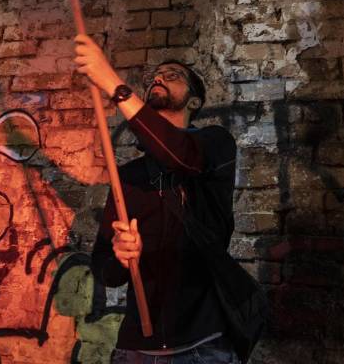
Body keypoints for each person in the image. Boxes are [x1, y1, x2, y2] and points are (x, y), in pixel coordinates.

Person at [73, 34, 241, 364]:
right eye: (155, 78)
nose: (159, 79)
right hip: (135, 348)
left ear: (194, 101)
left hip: (203, 344)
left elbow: (178, 154)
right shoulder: (130, 176)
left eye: (172, 75)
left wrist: (111, 82)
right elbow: (104, 269)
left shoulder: (213, 146)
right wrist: (121, 259)